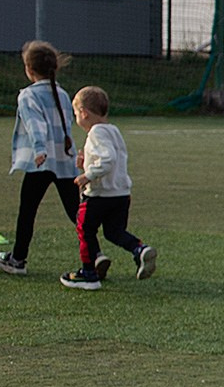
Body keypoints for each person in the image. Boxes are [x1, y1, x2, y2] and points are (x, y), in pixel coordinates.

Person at [0, 41, 78, 277]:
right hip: (65, 161)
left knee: (27, 210)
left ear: (29, 69)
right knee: (75, 211)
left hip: (42, 162)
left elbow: (35, 125)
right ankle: (95, 254)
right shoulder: (62, 93)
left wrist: (39, 150)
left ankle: (18, 259)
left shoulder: (28, 95)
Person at [61, 86, 156, 290]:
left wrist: (88, 175)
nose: (76, 118)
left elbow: (108, 159)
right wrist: (85, 163)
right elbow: (113, 158)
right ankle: (139, 249)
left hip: (99, 195)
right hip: (121, 194)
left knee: (84, 228)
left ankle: (89, 274)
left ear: (84, 113)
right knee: (114, 231)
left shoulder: (96, 132)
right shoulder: (113, 130)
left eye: (76, 113)